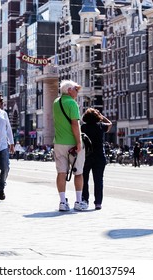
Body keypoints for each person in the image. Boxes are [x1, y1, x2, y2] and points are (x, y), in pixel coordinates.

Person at [52, 80, 87, 211]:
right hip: (72, 143)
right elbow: (75, 125)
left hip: (59, 143)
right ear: (70, 90)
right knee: (78, 172)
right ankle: (78, 201)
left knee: (61, 172)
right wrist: (79, 142)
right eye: (76, 90)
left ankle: (62, 202)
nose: (77, 92)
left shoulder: (56, 102)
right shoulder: (72, 103)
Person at [81, 108, 112, 210]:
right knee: (98, 180)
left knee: (84, 179)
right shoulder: (101, 126)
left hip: (86, 156)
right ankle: (98, 203)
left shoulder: (83, 127)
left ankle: (85, 200)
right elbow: (110, 124)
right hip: (99, 156)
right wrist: (102, 117)